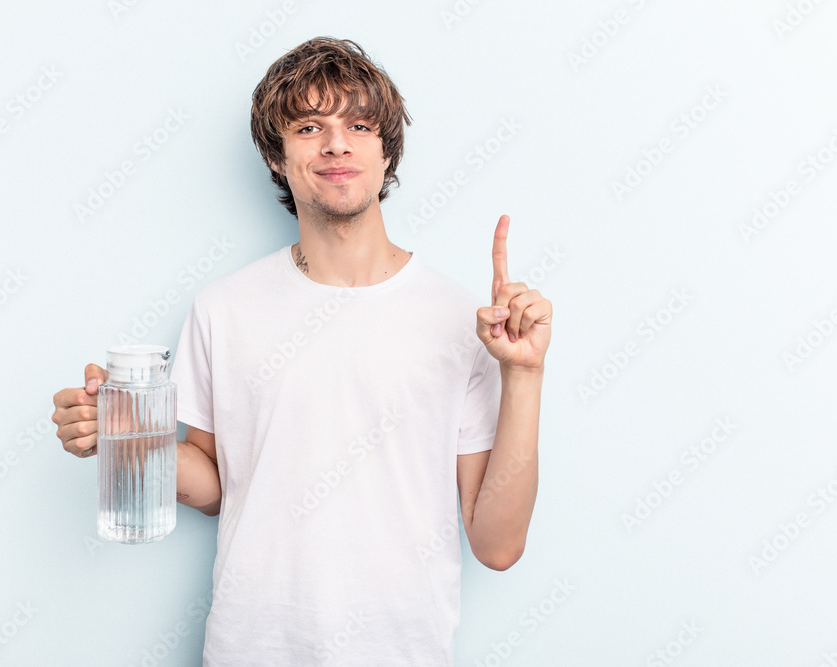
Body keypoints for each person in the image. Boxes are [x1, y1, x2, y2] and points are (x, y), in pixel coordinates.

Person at [52, 36, 552, 666]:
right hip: (250, 649)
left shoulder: (463, 319)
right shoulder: (223, 307)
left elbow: (497, 546)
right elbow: (213, 485)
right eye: (310, 125)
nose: (336, 143)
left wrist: (525, 373)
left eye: (360, 125)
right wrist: (126, 432)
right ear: (276, 155)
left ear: (386, 149)